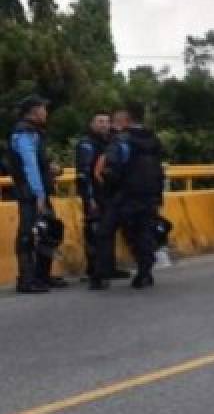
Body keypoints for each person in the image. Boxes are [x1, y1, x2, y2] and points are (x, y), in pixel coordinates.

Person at [96, 103, 165, 289]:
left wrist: (108, 189)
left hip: (124, 196)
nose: (112, 124)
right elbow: (160, 168)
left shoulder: (121, 140)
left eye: (115, 120)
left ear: (125, 120)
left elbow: (110, 169)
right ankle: (145, 273)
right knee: (143, 233)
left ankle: (100, 276)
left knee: (104, 232)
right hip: (149, 195)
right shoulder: (153, 139)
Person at [7, 95, 65, 293]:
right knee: (28, 235)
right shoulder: (24, 132)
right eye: (43, 109)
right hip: (30, 192)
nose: (46, 113)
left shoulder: (34, 132)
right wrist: (38, 193)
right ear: (34, 111)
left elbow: (38, 163)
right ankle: (27, 279)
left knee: (48, 231)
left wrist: (50, 168)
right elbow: (29, 164)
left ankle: (42, 276)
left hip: (37, 191)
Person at [76, 112, 128, 284]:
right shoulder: (86, 144)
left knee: (109, 230)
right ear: (92, 124)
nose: (104, 125)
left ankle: (109, 267)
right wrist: (89, 198)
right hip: (94, 194)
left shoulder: (111, 143)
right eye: (100, 121)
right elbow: (84, 174)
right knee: (94, 230)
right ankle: (94, 270)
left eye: (106, 121)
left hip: (109, 194)